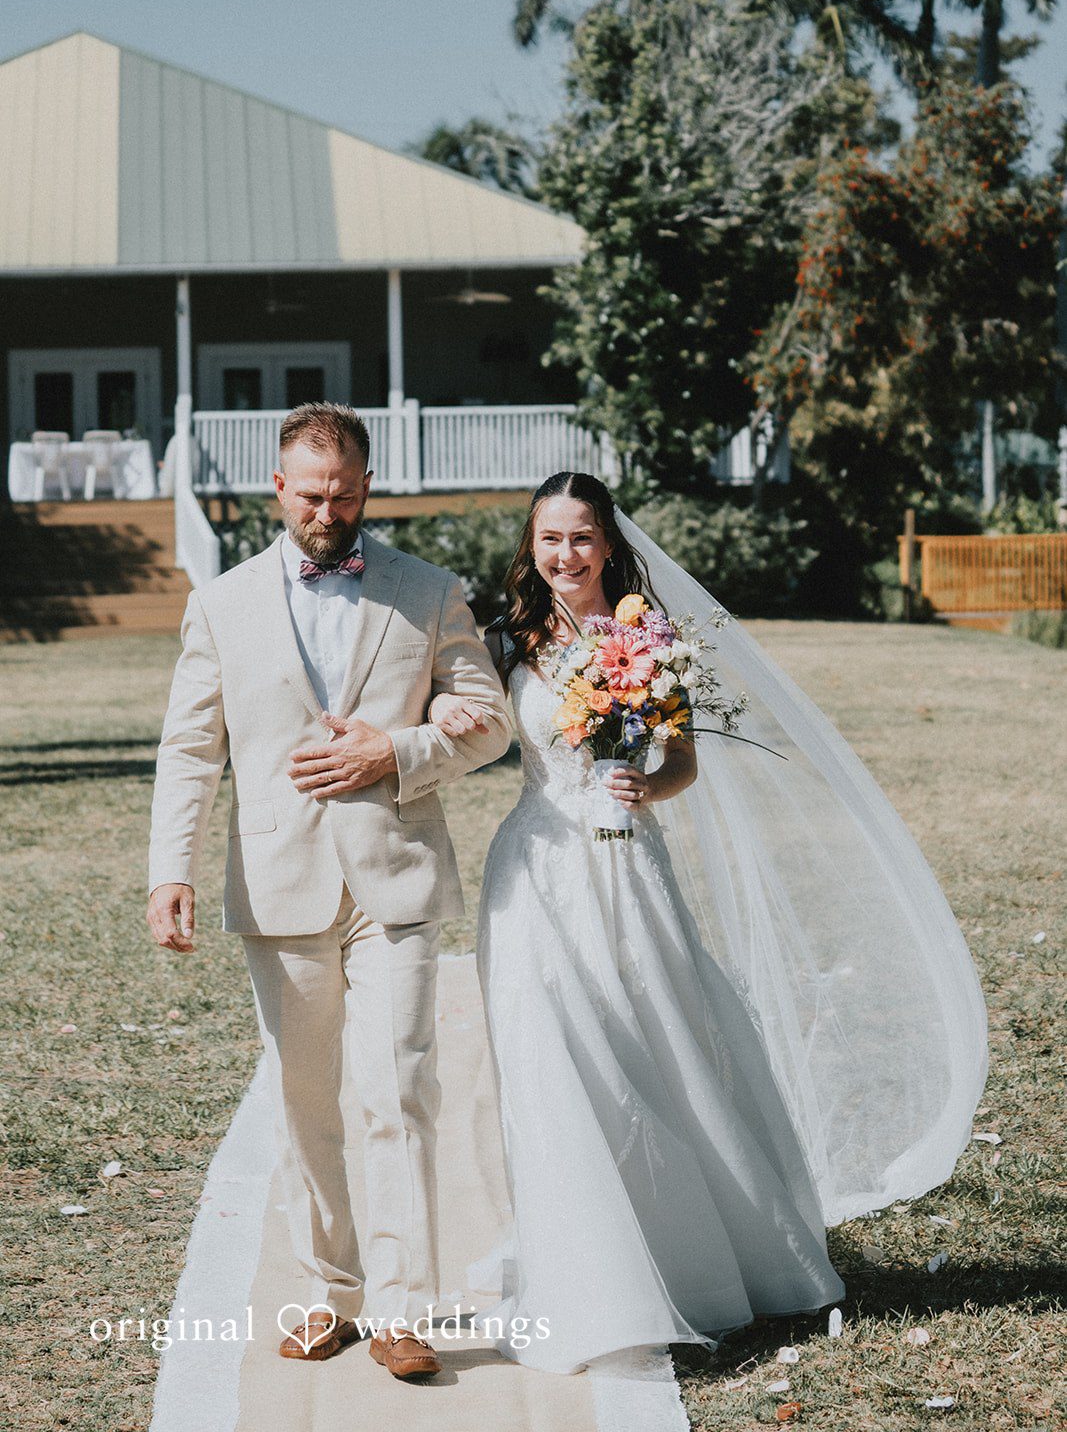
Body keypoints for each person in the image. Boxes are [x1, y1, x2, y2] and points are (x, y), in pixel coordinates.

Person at [429, 470, 988, 1375]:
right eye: (548, 539)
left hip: (624, 864)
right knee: (551, 1059)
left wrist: (644, 784)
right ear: (529, 547)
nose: (564, 555)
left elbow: (681, 758)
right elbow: (467, 729)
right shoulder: (506, 637)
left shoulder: (647, 638)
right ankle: (586, 1264)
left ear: (608, 543)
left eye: (580, 537)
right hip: (534, 871)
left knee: (656, 1050)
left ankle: (694, 1256)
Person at [146, 402, 511, 1379]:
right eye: (311, 495)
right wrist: (168, 870)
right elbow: (190, 748)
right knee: (307, 1095)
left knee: (398, 1084)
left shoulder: (428, 592)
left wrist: (397, 749)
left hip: (394, 879)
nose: (328, 511)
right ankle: (326, 1291)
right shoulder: (220, 603)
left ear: (365, 490)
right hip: (279, 880)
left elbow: (490, 720)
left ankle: (400, 1308)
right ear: (278, 490)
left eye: (345, 495)